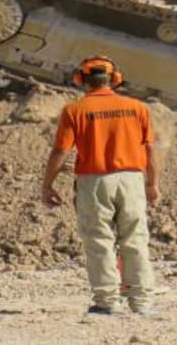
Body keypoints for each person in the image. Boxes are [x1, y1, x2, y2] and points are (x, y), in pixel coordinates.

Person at [41, 55, 160, 316]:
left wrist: (47, 185)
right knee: (135, 239)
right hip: (131, 179)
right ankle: (141, 301)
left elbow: (61, 151)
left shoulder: (75, 110)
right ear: (114, 80)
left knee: (99, 240)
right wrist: (152, 183)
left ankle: (107, 302)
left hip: (94, 181)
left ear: (82, 80)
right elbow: (150, 149)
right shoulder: (137, 108)